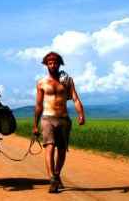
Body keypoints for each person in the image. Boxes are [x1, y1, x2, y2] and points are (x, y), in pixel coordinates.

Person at [33, 51, 85, 193]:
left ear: (59, 64)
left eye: (55, 63)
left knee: (61, 151)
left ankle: (56, 173)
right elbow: (38, 105)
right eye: (50, 63)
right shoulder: (42, 83)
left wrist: (81, 113)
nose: (53, 65)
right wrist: (35, 125)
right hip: (48, 118)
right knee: (50, 147)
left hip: (64, 119)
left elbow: (75, 98)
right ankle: (52, 180)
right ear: (46, 65)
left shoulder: (67, 81)